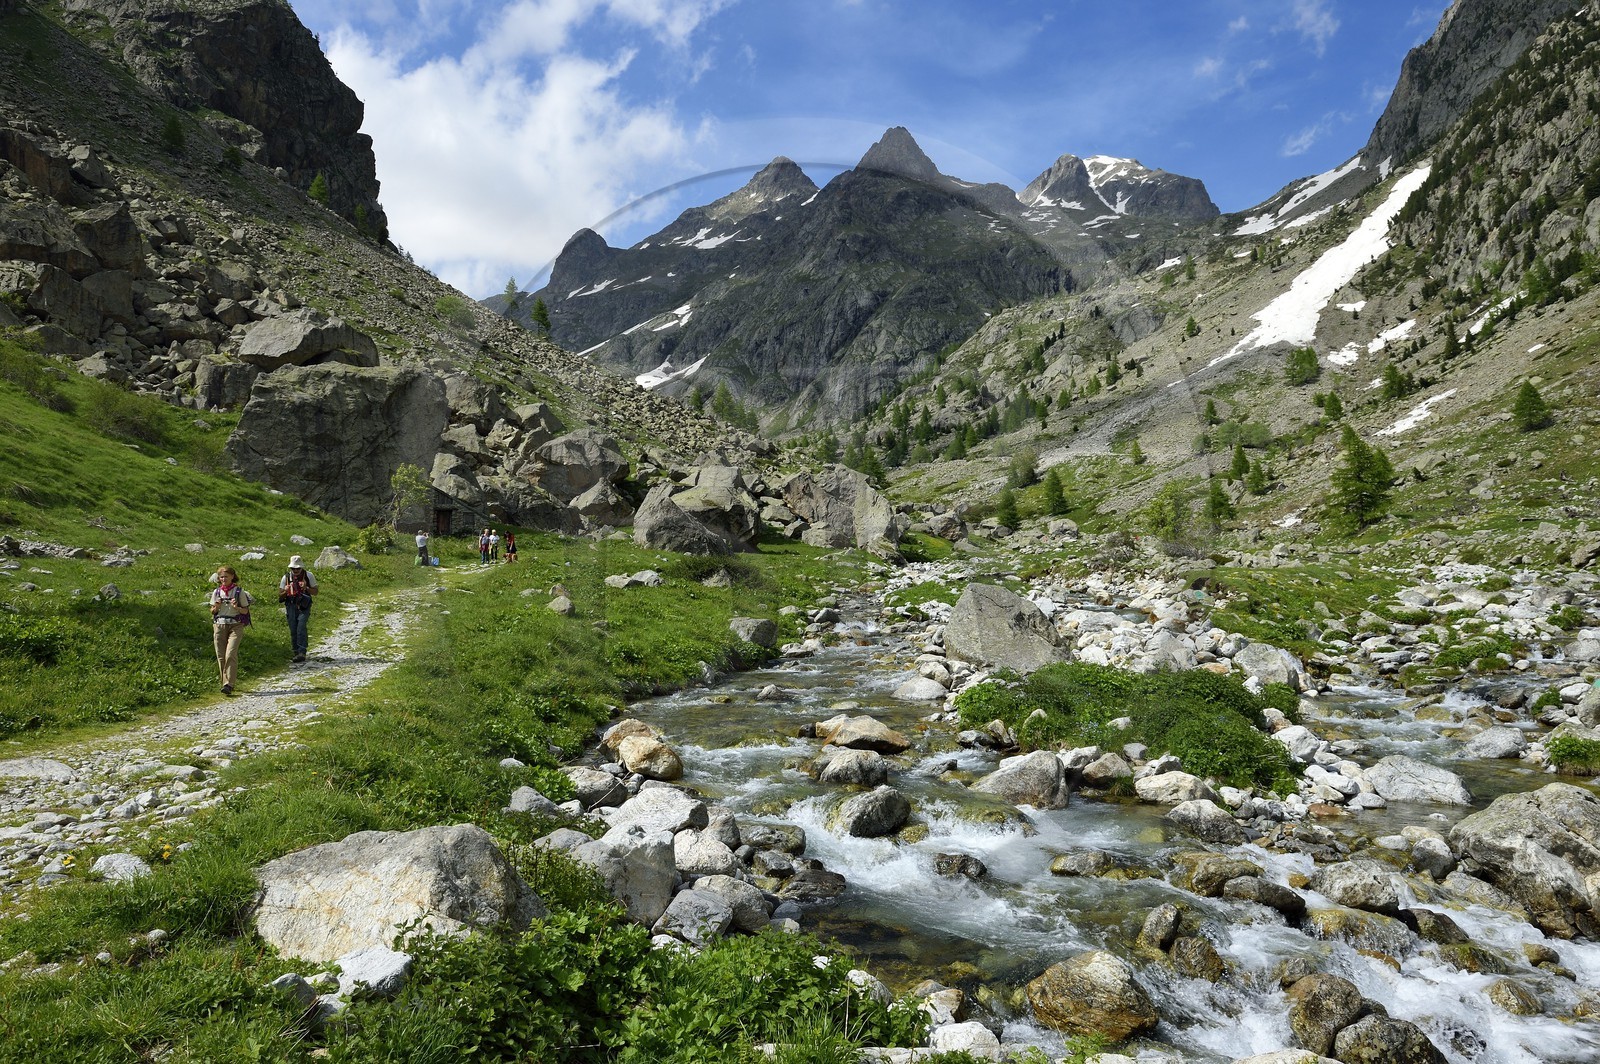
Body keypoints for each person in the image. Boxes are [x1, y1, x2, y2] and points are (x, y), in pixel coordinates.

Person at [208, 565, 253, 694]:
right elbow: (212, 611)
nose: (223, 579)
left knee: (230, 653)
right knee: (221, 656)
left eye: (226, 576)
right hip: (219, 625)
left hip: (236, 625)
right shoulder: (216, 592)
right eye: (221, 577)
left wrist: (237, 607)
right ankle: (225, 683)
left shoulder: (239, 592)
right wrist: (216, 607)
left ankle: (230, 683)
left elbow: (245, 610)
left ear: (232, 577)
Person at [278, 555, 319, 663]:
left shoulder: (309, 575)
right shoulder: (286, 578)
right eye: (293, 568)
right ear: (290, 568)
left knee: (301, 626)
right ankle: (295, 651)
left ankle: (302, 652)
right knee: (293, 628)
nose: (296, 570)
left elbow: (315, 592)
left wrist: (306, 588)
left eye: (298, 568)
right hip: (290, 605)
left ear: (301, 568)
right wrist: (285, 591)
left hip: (304, 605)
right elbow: (280, 596)